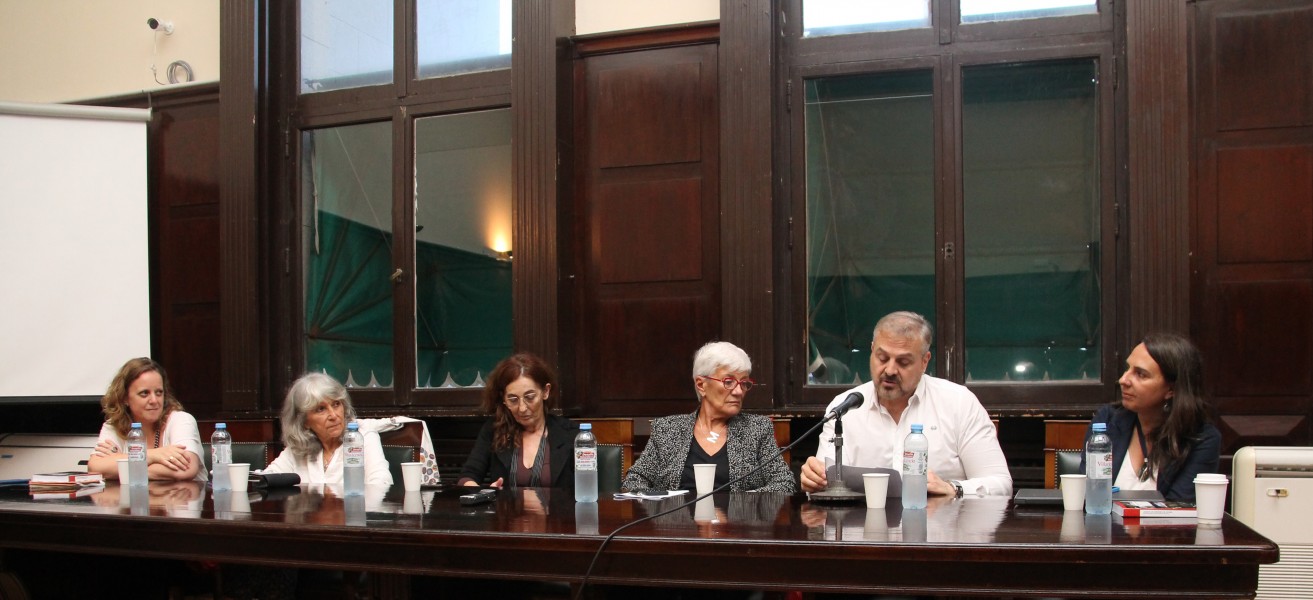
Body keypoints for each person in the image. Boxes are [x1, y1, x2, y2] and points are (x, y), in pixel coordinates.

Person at [800, 311, 1012, 497]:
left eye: (903, 362)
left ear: (924, 361)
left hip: (941, 535)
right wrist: (815, 480)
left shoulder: (958, 403)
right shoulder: (845, 407)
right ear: (872, 350)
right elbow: (825, 483)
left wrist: (953, 488)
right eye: (882, 358)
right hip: (862, 535)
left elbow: (1000, 484)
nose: (890, 370)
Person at [623, 341, 796, 493]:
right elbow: (634, 481)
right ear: (701, 385)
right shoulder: (668, 429)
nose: (738, 392)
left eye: (743, 383)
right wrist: (665, 506)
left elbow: (784, 484)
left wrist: (736, 508)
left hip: (737, 527)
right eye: (728, 382)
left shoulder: (757, 429)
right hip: (678, 527)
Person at [1080, 332, 1220, 502]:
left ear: (1171, 390)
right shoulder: (1107, 421)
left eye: (1140, 374)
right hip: (1104, 527)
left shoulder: (1201, 439)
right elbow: (1088, 496)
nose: (1123, 380)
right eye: (1127, 369)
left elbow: (1178, 509)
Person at [458, 353, 579, 489]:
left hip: (558, 510)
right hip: (506, 509)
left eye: (530, 397)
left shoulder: (572, 434)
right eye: (513, 400)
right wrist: (483, 493)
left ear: (545, 391)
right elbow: (467, 476)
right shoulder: (494, 430)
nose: (522, 408)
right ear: (503, 398)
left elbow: (588, 489)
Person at [263, 372, 393, 486]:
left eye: (336, 404)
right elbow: (268, 477)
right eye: (321, 409)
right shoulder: (297, 448)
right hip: (309, 515)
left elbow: (381, 484)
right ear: (304, 421)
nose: (333, 415)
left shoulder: (364, 438)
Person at [88, 358, 205, 482]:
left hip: (182, 500)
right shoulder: (114, 425)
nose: (154, 400)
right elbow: (95, 467)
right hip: (134, 500)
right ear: (125, 398)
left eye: (159, 392)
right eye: (144, 393)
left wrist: (120, 465)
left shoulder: (181, 420)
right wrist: (154, 455)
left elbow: (186, 468)